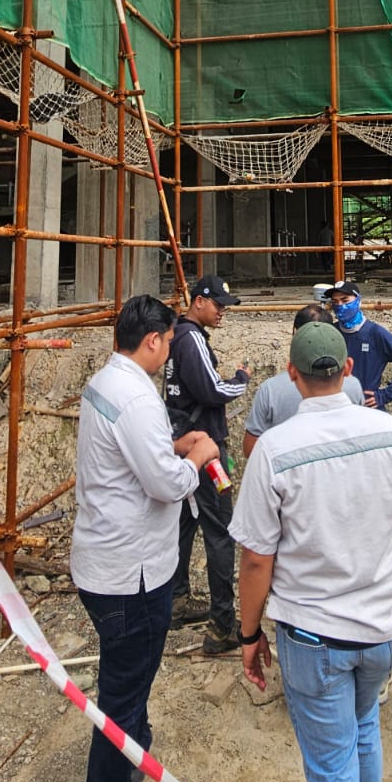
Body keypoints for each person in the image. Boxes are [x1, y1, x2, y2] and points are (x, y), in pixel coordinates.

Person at [231, 321, 392, 782]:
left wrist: (249, 633)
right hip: (381, 632)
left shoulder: (276, 450)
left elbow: (255, 560)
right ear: (347, 372)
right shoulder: (389, 433)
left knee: (332, 780)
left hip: (316, 640)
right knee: (364, 733)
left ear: (292, 375)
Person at [71, 294, 219, 782]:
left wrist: (172, 446)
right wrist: (197, 457)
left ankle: (131, 753)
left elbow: (135, 456)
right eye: (168, 344)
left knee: (125, 678)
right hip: (129, 575)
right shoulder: (136, 397)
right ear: (153, 340)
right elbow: (164, 483)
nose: (170, 354)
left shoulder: (107, 382)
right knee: (124, 694)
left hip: (105, 562)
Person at [166, 275, 251, 654]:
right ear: (198, 301)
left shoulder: (175, 336)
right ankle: (222, 624)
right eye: (218, 305)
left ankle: (176, 600)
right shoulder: (191, 339)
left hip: (184, 443)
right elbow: (213, 390)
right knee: (220, 530)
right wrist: (241, 379)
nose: (221, 313)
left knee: (184, 522)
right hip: (205, 450)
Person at [242, 304, 365, 458]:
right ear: (347, 367)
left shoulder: (271, 389)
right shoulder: (353, 385)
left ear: (292, 372)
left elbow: (251, 449)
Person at [328, 281, 392, 411]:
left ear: (358, 301)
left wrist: (385, 395)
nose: (340, 306)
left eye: (345, 300)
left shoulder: (375, 333)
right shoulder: (331, 332)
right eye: (335, 302)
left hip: (367, 410)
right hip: (337, 408)